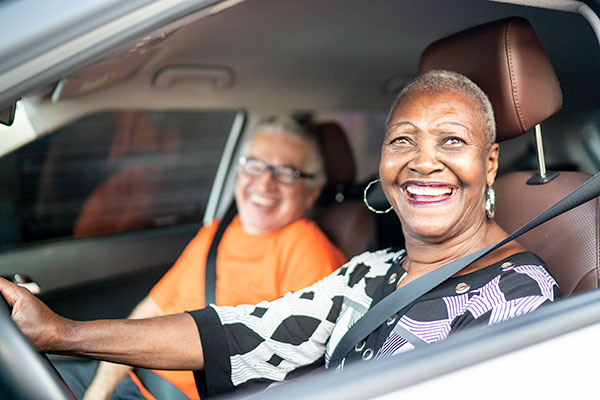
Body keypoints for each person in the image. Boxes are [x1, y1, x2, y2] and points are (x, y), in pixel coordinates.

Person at [0, 70, 560, 398]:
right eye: (403, 140)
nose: (422, 162)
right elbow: (245, 333)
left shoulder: (518, 294)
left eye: (452, 142)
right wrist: (62, 333)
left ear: (489, 164)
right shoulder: (373, 271)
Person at [58, 116, 346, 400]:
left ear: (312, 191)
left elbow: (306, 371)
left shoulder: (309, 251)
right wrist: (98, 392)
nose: (265, 183)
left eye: (286, 173)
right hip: (132, 378)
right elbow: (150, 311)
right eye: (255, 166)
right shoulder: (216, 232)